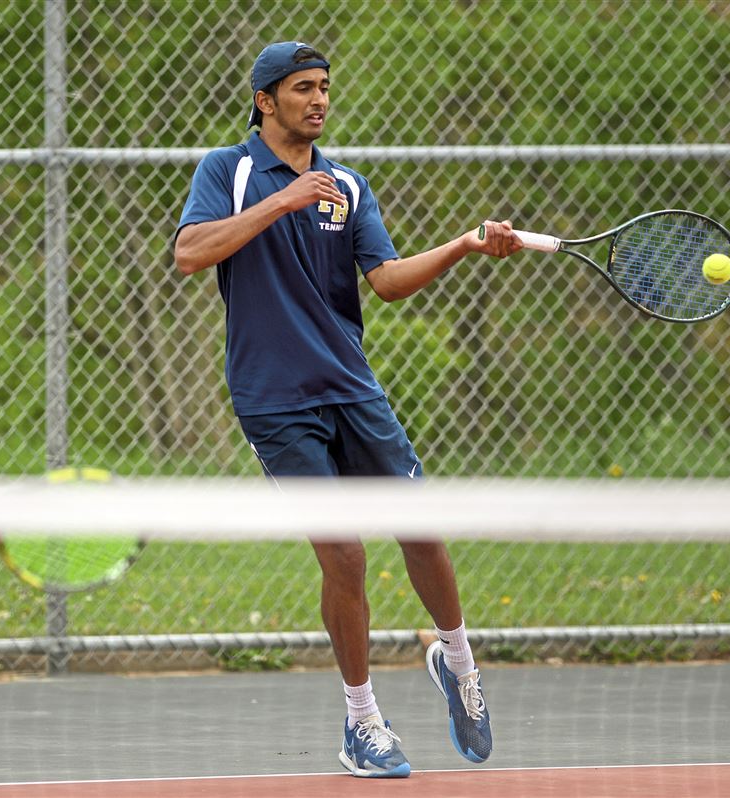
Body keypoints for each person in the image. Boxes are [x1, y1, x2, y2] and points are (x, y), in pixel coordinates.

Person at [174, 42, 522, 778]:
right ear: (265, 100)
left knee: (420, 529)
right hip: (273, 399)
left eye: (325, 87)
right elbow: (190, 253)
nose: (319, 100)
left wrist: (464, 244)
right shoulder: (227, 172)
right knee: (345, 553)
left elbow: (387, 281)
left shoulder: (349, 186)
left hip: (352, 387)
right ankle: (362, 721)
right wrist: (281, 201)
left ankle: (459, 663)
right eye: (303, 88)